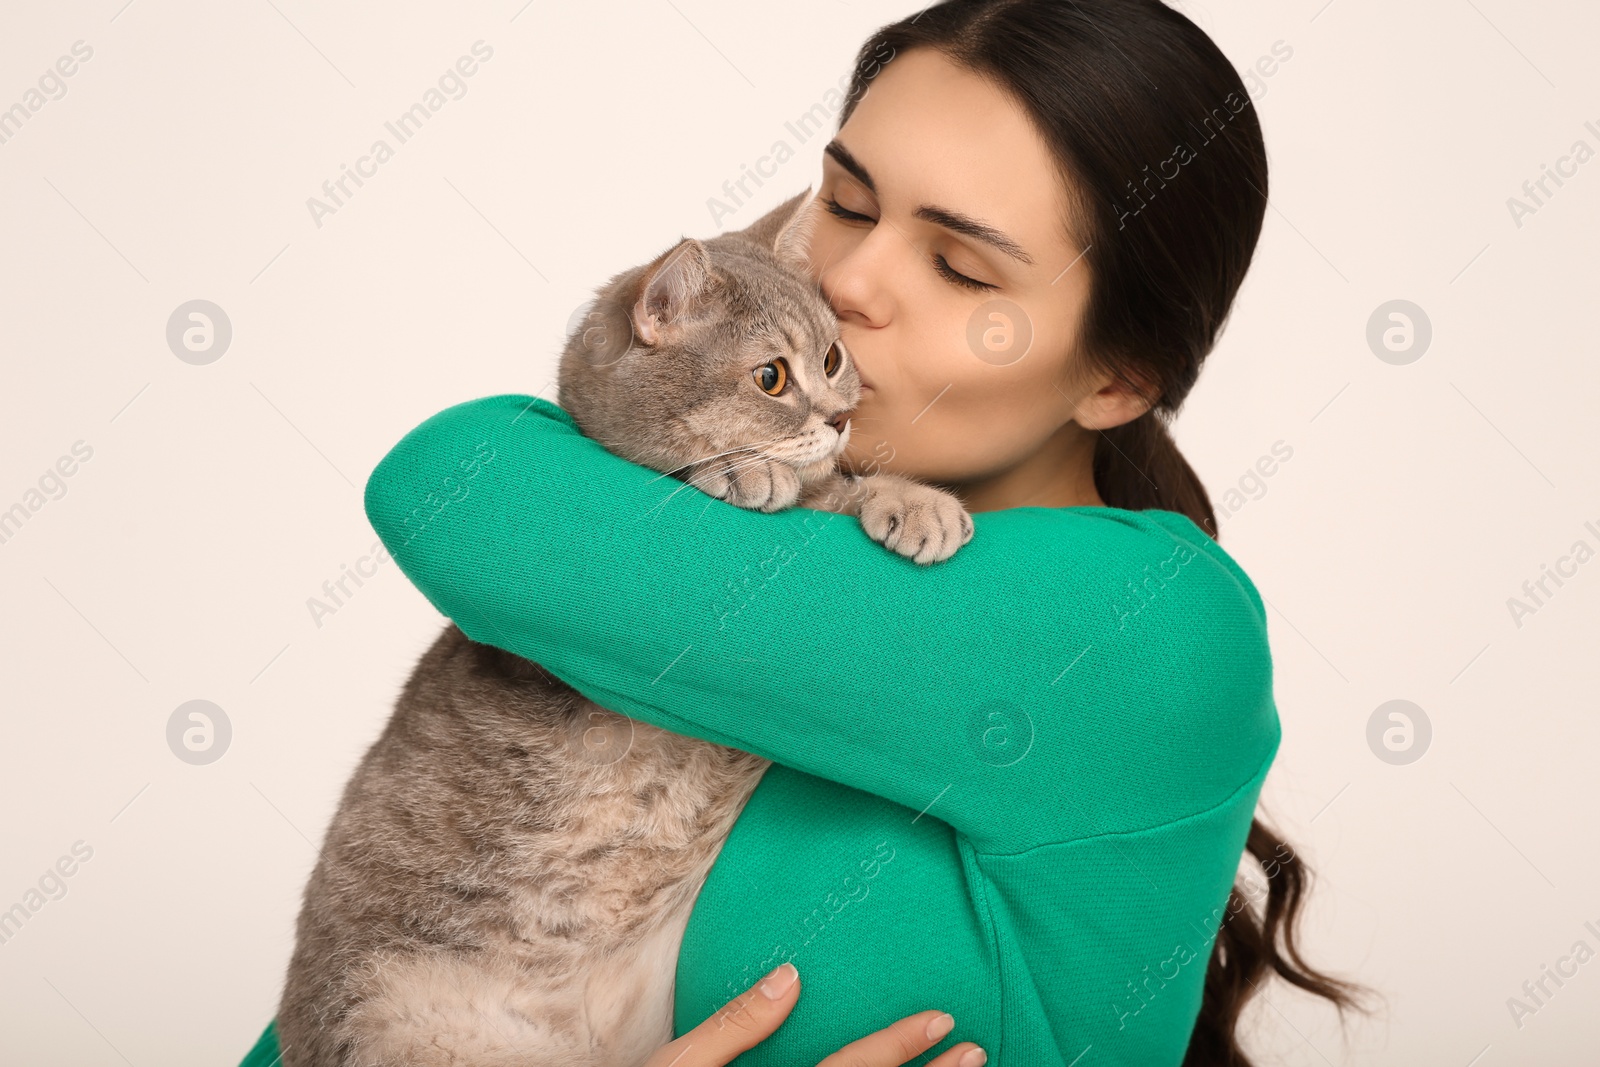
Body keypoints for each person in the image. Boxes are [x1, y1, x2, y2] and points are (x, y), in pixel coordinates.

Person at [239, 1, 1373, 1063]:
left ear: (1118, 379)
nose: (855, 284)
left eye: (959, 263)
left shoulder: (1152, 624)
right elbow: (455, 479)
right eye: (847, 202)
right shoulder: (758, 563)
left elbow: (471, 493)